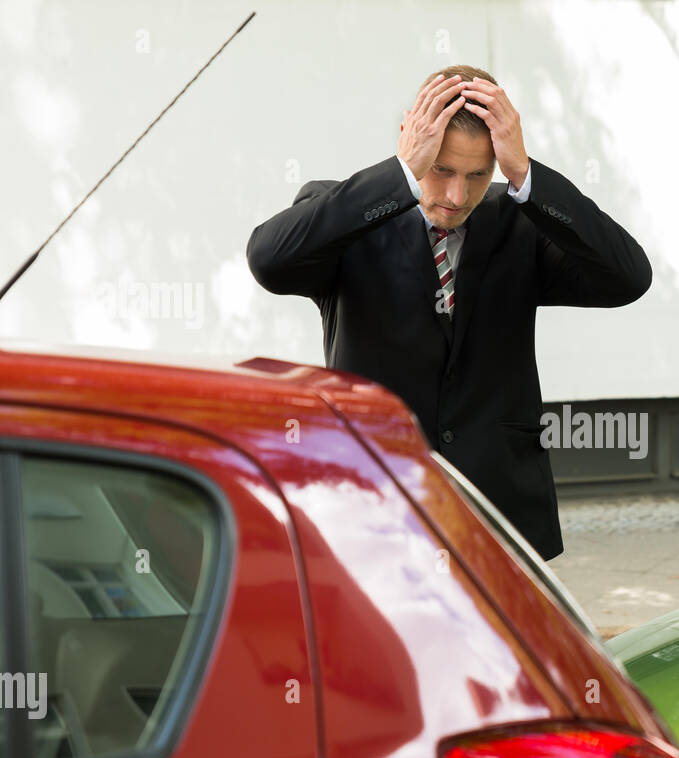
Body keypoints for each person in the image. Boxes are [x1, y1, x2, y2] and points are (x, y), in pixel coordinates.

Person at [247, 65, 651, 561]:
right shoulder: (348, 215)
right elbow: (269, 260)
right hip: (379, 505)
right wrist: (398, 173)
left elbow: (629, 277)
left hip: (498, 514)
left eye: (478, 175)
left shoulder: (519, 225)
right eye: (442, 170)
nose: (458, 196)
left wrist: (526, 174)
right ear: (411, 139)